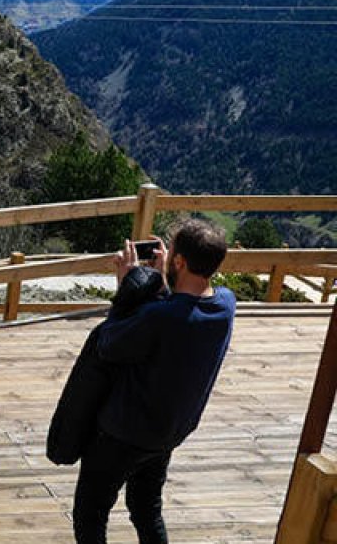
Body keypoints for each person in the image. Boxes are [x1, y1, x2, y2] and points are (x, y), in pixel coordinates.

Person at [72, 219, 235, 543]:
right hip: (166, 433)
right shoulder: (225, 305)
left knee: (90, 515)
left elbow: (110, 343)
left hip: (122, 433)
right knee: (146, 508)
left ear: (179, 262)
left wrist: (126, 290)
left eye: (171, 251)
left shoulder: (160, 317)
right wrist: (164, 280)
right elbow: (184, 309)